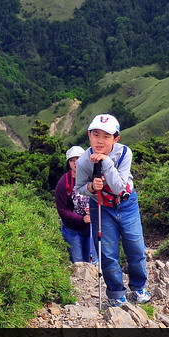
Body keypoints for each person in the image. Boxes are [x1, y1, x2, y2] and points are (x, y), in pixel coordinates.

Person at [74, 114, 151, 307]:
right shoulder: (84, 161)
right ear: (89, 135)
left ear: (116, 138)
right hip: (100, 205)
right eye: (95, 134)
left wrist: (106, 162)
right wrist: (91, 187)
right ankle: (116, 294)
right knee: (107, 252)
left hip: (126, 203)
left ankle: (139, 288)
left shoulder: (125, 153)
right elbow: (79, 188)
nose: (100, 140)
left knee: (135, 246)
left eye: (106, 136)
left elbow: (119, 187)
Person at [55, 145, 96, 264]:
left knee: (93, 261)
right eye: (72, 160)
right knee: (77, 262)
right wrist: (82, 219)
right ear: (68, 163)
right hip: (72, 228)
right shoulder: (64, 183)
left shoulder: (93, 177)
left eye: (78, 158)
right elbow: (62, 211)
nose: (75, 162)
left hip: (92, 226)